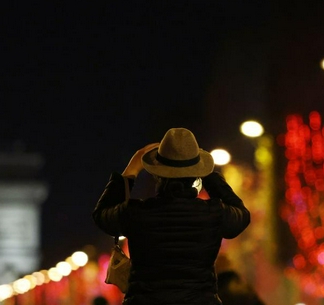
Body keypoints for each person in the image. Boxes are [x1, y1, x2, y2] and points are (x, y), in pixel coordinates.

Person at [93, 128, 250, 305]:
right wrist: (209, 175)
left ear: (157, 174)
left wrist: (131, 171)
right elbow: (242, 215)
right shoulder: (213, 213)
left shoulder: (135, 212)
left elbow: (101, 215)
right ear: (196, 174)